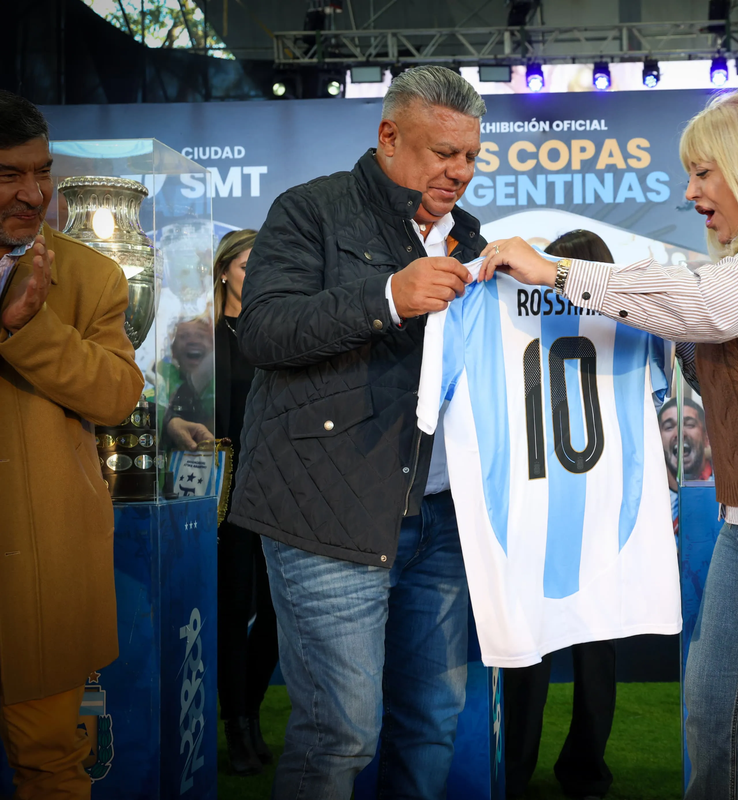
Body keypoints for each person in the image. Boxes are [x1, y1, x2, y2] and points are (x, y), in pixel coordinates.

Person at [481, 90, 738, 796]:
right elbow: (701, 318)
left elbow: (703, 306)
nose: (691, 191)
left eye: (704, 172)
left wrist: (555, 272)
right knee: (711, 711)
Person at [227, 66, 488, 799]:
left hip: (440, 522)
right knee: (340, 734)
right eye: (443, 153)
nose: (458, 171)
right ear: (388, 136)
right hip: (325, 514)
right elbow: (265, 330)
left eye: (470, 155)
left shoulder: (470, 237)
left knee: (433, 724)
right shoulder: (309, 210)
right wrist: (386, 297)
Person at [0, 90, 143, 799]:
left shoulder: (92, 276)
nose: (31, 194)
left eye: (41, 172)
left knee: (52, 764)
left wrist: (29, 328)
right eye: (7, 175)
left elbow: (117, 395)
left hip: (42, 571)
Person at [503, 229, 619, 800]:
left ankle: (515, 771)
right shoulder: (626, 326)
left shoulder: (517, 324)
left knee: (531, 649)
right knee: (596, 646)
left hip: (536, 510)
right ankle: (585, 771)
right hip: (600, 516)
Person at [168, 230, 281, 775]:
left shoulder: (281, 331)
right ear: (223, 271)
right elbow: (170, 406)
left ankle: (249, 713)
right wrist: (175, 423)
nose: (257, 273)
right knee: (235, 611)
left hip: (286, 493)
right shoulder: (205, 338)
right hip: (226, 494)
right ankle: (236, 727)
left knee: (281, 615)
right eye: (246, 264)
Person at [659, 397, 714, 490]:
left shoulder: (727, 490)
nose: (679, 433)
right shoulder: (648, 493)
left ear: (707, 438)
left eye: (689, 424)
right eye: (669, 427)